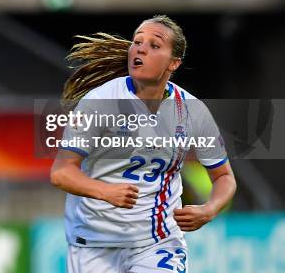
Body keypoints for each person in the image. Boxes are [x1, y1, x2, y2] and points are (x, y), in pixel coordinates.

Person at [50, 15, 236, 273]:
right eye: (137, 41)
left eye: (154, 45)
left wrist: (210, 209)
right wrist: (104, 191)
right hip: (94, 242)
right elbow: (61, 173)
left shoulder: (192, 110)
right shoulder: (100, 102)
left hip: (158, 241)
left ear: (174, 63)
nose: (140, 48)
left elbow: (224, 176)